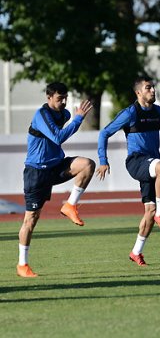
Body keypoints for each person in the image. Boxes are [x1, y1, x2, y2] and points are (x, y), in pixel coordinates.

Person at [96, 76, 160, 266]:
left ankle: (136, 252)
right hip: (136, 161)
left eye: (153, 87)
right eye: (148, 88)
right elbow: (104, 133)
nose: (153, 91)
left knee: (149, 211)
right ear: (138, 92)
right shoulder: (130, 113)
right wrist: (103, 160)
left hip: (150, 164)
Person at [17, 82, 95, 278]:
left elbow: (66, 119)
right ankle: (22, 264)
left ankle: (70, 205)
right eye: (59, 98)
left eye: (65, 98)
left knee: (87, 164)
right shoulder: (41, 115)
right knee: (31, 220)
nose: (63, 102)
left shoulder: (64, 114)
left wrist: (73, 116)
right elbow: (58, 137)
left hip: (56, 166)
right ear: (48, 97)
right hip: (37, 172)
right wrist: (77, 119)